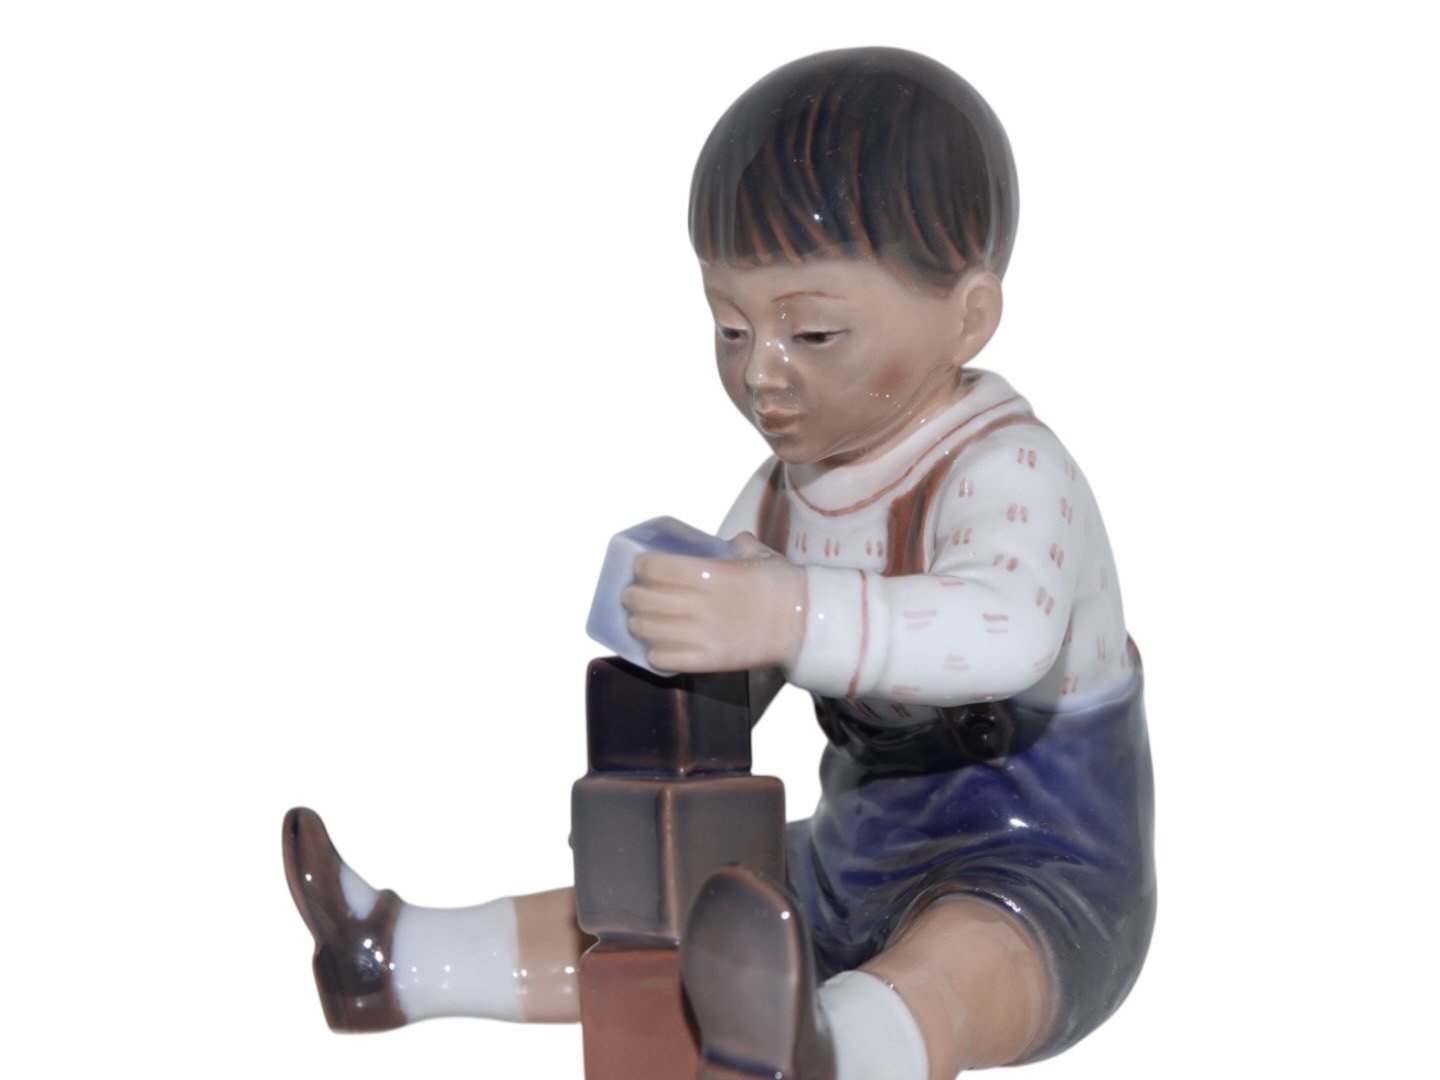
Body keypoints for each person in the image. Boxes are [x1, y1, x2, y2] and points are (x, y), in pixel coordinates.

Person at [284, 47, 1154, 1080]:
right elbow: (731, 663)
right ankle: (401, 956)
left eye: (814, 332)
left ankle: (833, 1051)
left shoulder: (1009, 469)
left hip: (1041, 872)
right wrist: (665, 678)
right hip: (851, 858)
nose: (761, 373)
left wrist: (784, 617)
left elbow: (1006, 633)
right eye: (731, 328)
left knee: (958, 961)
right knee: (673, 906)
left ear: (968, 315)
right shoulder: (785, 493)